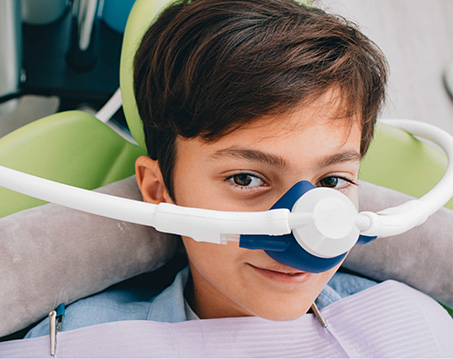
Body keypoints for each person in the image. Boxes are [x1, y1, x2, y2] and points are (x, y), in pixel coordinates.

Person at [25, 0, 443, 338]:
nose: (304, 229)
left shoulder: (417, 327)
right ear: (158, 188)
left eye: (331, 181)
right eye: (246, 179)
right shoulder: (80, 341)